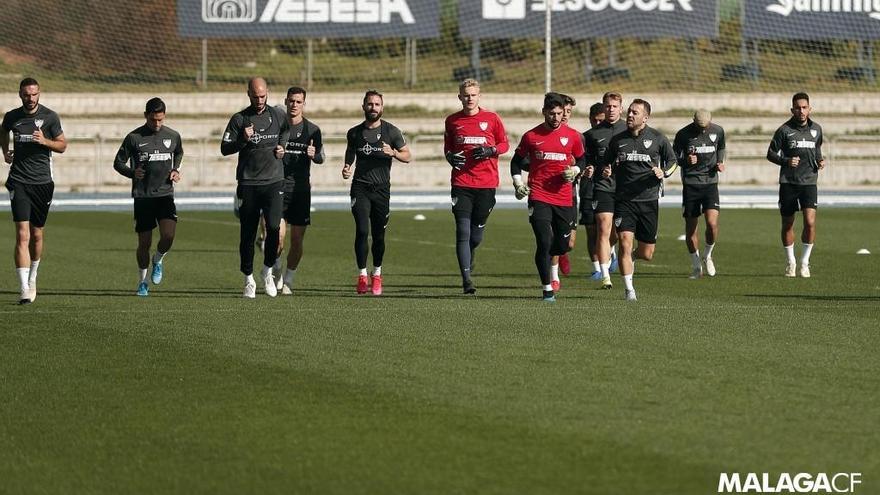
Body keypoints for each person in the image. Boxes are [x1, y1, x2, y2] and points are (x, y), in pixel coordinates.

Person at [510, 93, 586, 302]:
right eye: (551, 114)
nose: (555, 118)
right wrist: (518, 183)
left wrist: (576, 170)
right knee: (544, 242)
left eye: (559, 114)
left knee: (563, 246)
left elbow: (582, 158)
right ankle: (547, 290)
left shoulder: (572, 136)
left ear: (564, 114)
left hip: (564, 198)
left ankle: (556, 259)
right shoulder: (531, 136)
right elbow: (516, 162)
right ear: (544, 112)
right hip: (539, 196)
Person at [221, 77, 289, 298]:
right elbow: (224, 148)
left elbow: (286, 131)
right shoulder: (239, 119)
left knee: (274, 229)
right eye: (255, 96)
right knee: (248, 234)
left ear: (267, 92)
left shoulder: (278, 115)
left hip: (274, 182)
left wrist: (282, 147)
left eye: (262, 96)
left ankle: (267, 271)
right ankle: (248, 278)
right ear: (248, 94)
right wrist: (242, 139)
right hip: (249, 183)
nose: (259, 100)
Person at [0, 78, 67, 304]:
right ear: (20, 94)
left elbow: (62, 145)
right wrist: (5, 151)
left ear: (39, 94)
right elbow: (3, 131)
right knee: (22, 234)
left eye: (34, 94)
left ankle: (33, 276)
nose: (31, 98)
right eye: (27, 95)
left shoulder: (50, 117)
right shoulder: (12, 117)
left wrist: (45, 141)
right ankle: (23, 288)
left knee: (36, 235)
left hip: (42, 183)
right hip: (18, 181)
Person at [605, 99, 677, 301]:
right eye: (629, 111)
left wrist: (664, 172)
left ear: (645, 118)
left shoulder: (657, 138)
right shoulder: (618, 140)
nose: (629, 115)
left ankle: (634, 258)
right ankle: (629, 290)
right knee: (625, 243)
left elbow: (673, 162)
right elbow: (606, 162)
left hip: (649, 200)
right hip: (624, 200)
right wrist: (606, 169)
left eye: (634, 112)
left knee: (647, 253)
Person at [342, 90, 411, 295]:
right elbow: (350, 151)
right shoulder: (354, 133)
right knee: (362, 231)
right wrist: (347, 167)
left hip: (382, 190)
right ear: (363, 106)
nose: (373, 108)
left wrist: (395, 153)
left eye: (377, 104)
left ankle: (377, 273)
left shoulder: (392, 132)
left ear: (382, 107)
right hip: (360, 188)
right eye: (370, 104)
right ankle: (362, 275)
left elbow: (408, 156)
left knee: (379, 235)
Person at [444, 79, 509, 294]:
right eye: (466, 95)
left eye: (473, 94)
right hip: (461, 183)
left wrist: (491, 151)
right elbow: (448, 150)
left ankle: (470, 253)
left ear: (479, 96)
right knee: (462, 230)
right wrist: (451, 157)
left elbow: (505, 144)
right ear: (459, 96)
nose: (469, 98)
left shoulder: (491, 119)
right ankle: (466, 280)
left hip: (487, 184)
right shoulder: (452, 121)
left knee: (475, 236)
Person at [113, 98, 183, 296]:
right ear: (146, 116)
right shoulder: (134, 138)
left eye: (160, 120)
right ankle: (142, 281)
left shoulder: (173, 136)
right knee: (144, 243)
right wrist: (131, 173)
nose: (157, 124)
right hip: (143, 197)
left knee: (168, 236)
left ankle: (158, 260)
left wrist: (175, 170)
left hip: (165, 194)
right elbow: (118, 163)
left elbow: (178, 153)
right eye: (153, 120)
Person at [766, 92, 825, 278]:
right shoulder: (784, 130)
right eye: (798, 108)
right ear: (792, 109)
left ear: (810, 109)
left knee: (810, 222)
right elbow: (771, 153)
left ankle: (805, 263)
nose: (801, 111)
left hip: (809, 183)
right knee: (788, 224)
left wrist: (820, 161)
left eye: (804, 107)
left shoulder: (816, 130)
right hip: (788, 183)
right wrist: (786, 161)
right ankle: (790, 262)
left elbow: (816, 150)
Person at [273, 86, 324, 295]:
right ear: (286, 102)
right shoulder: (276, 127)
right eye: (291, 101)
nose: (294, 105)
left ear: (304, 104)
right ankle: (275, 268)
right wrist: (275, 152)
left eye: (298, 102)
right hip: (278, 187)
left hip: (301, 190)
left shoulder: (312, 130)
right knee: (277, 237)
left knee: (297, 240)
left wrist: (315, 155)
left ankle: (289, 280)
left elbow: (321, 157)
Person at [673, 109, 726, 279]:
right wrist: (686, 161)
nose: (703, 129)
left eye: (706, 126)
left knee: (712, 224)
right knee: (691, 229)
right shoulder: (682, 134)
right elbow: (674, 158)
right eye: (699, 126)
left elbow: (721, 148)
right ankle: (696, 266)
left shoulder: (718, 131)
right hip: (691, 185)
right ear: (693, 121)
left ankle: (707, 255)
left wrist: (720, 162)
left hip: (710, 184)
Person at [584, 91, 626, 289]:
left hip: (626, 189)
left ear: (621, 108)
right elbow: (586, 159)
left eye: (614, 106)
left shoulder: (630, 129)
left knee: (617, 234)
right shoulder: (592, 134)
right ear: (604, 106)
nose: (611, 109)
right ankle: (605, 275)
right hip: (603, 187)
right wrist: (589, 167)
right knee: (603, 228)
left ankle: (613, 252)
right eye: (608, 106)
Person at [553, 93, 578, 282]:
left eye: (569, 111)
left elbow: (584, 161)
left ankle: (563, 253)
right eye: (564, 111)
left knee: (569, 242)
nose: (566, 115)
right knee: (550, 236)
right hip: (547, 193)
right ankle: (553, 278)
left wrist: (580, 168)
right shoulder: (544, 133)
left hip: (570, 192)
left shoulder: (575, 137)